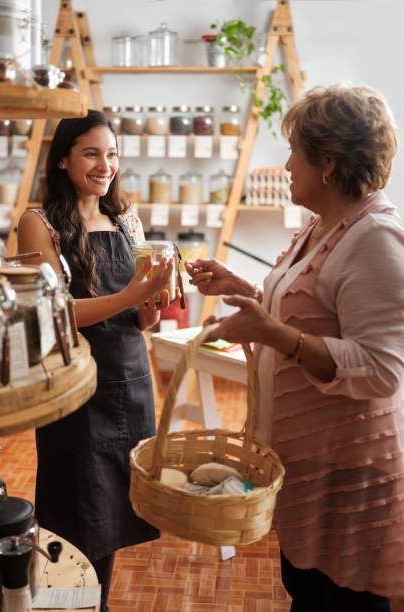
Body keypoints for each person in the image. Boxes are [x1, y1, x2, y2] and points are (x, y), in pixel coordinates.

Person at [186, 83, 404, 611]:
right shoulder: (322, 226)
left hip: (351, 475)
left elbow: (382, 370)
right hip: (311, 464)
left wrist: (272, 334)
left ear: (327, 161)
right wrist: (242, 289)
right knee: (308, 590)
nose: (285, 165)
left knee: (343, 598)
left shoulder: (375, 237)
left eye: (293, 152)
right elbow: (307, 310)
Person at [17, 110, 174, 612]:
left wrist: (150, 303)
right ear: (62, 159)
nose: (105, 165)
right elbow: (54, 313)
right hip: (76, 391)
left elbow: (141, 322)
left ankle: (95, 605)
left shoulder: (126, 220)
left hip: (131, 382)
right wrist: (132, 294)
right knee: (74, 516)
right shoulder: (38, 223)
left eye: (112, 153)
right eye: (91, 153)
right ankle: (68, 606)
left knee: (111, 518)